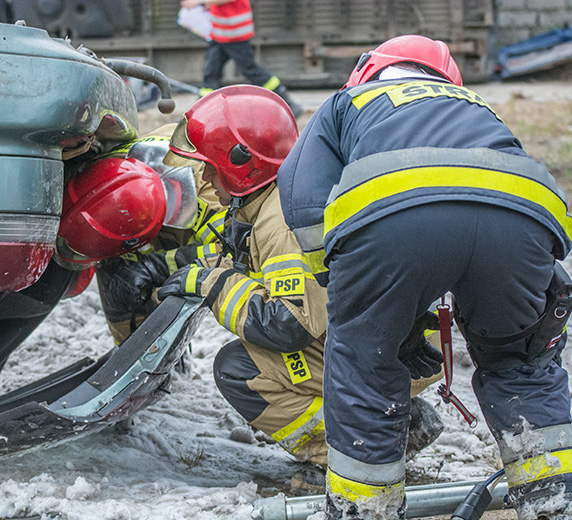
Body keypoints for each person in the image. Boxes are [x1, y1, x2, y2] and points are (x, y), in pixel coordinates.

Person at [276, 35, 572, 519]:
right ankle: (555, 500)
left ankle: (363, 510)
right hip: (525, 215)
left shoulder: (348, 101)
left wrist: (361, 300)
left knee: (365, 364)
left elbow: (304, 200)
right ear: (447, 80)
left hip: (395, 216)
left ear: (368, 71)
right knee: (522, 365)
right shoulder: (475, 104)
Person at [155, 84, 444, 468]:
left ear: (242, 166)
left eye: (210, 166)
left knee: (241, 371)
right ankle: (390, 417)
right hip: (399, 339)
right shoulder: (286, 190)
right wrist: (180, 266)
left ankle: (352, 452)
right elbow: (256, 266)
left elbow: (289, 324)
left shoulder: (280, 221)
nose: (205, 178)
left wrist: (208, 284)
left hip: (397, 351)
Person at [55, 125, 229, 346]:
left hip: (189, 228)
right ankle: (134, 350)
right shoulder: (99, 170)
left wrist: (156, 267)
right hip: (138, 219)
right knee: (120, 279)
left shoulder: (209, 191)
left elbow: (236, 253)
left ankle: (174, 351)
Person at [179, 0, 304, 119]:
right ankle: (199, 112)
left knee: (250, 70)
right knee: (211, 72)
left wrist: (199, 2)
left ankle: (287, 103)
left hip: (234, 34)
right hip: (220, 33)